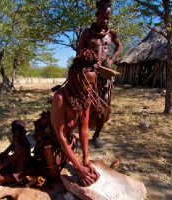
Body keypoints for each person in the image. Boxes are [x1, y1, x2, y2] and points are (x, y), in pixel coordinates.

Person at [33, 49, 106, 186]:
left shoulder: (86, 99)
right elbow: (60, 135)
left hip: (67, 140)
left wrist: (85, 159)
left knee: (75, 170)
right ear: (77, 79)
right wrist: (78, 168)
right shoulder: (60, 97)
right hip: (52, 139)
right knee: (55, 177)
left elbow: (84, 130)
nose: (91, 89)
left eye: (93, 84)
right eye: (88, 84)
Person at [76, 0, 122, 148]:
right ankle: (80, 134)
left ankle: (96, 136)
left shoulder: (111, 33)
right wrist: (89, 59)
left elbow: (119, 46)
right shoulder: (87, 33)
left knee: (105, 106)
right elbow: (79, 51)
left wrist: (112, 59)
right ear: (97, 15)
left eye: (108, 18)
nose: (106, 21)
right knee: (83, 105)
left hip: (104, 76)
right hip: (88, 74)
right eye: (103, 17)